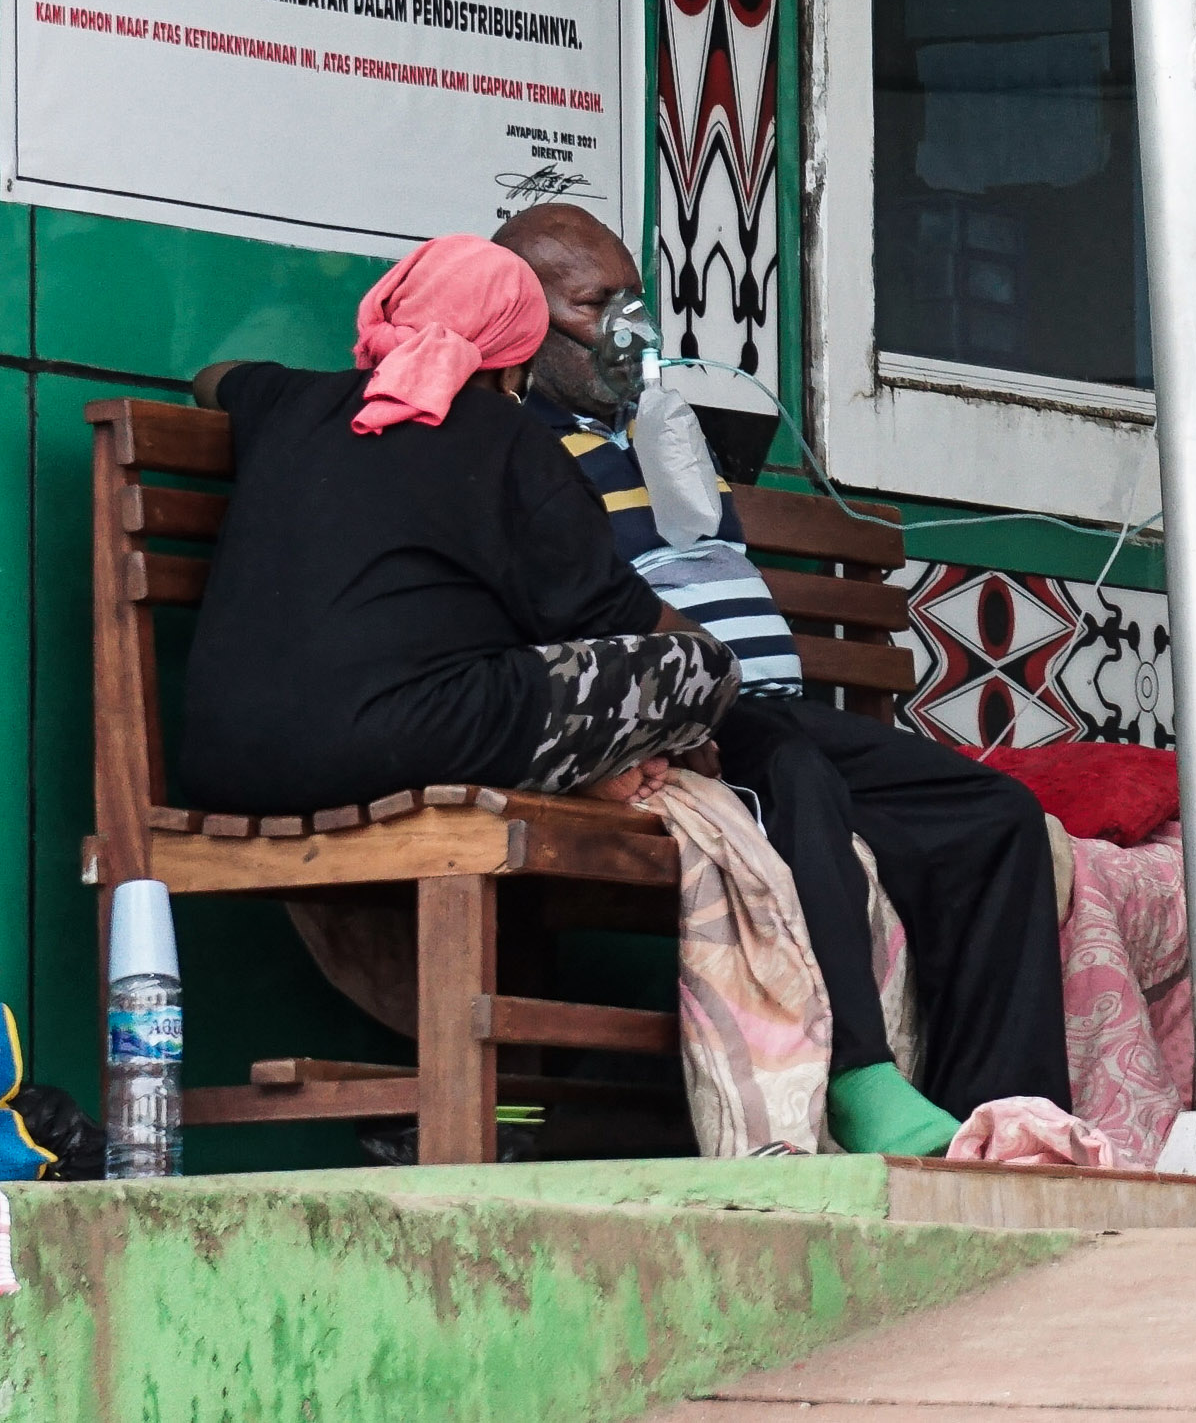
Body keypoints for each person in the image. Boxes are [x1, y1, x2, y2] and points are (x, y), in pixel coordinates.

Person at [492, 205, 1071, 1157]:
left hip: (772, 706)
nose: (628, 330)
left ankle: (1001, 1119)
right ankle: (860, 1079)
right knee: (794, 772)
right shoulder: (512, 440)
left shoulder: (653, 425)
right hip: (674, 721)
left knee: (996, 813)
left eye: (637, 303)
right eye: (598, 307)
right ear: (527, 318)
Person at [176, 236, 736, 818]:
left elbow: (212, 377)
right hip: (382, 752)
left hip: (223, 767)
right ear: (515, 366)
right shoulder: (510, 439)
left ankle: (596, 770)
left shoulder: (292, 400)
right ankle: (598, 768)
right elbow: (616, 618)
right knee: (711, 669)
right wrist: (701, 667)